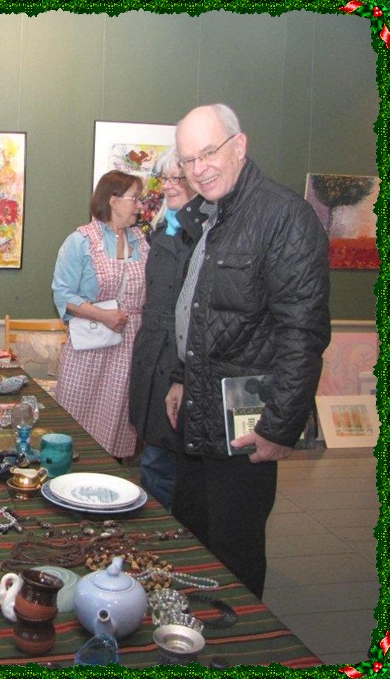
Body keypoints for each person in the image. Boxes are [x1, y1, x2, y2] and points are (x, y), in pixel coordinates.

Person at [164, 104, 330, 599]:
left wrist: (280, 426)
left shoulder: (284, 217)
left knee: (233, 554)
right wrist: (179, 376)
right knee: (191, 538)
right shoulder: (209, 216)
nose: (198, 169)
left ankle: (238, 638)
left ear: (239, 146)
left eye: (208, 152)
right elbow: (197, 309)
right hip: (197, 412)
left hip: (245, 425)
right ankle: (187, 629)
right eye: (188, 160)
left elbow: (303, 331)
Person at [127, 148, 206, 510]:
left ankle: (168, 532)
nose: (169, 186)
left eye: (178, 178)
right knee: (154, 451)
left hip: (180, 357)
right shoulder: (160, 232)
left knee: (164, 460)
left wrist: (182, 373)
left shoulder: (205, 237)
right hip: (152, 351)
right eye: (165, 178)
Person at [52, 170, 149, 460]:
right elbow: (63, 294)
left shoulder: (141, 241)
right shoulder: (81, 240)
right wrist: (103, 316)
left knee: (118, 419)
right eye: (134, 199)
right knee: (78, 417)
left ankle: (109, 474)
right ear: (113, 200)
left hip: (130, 348)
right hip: (91, 347)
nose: (139, 206)